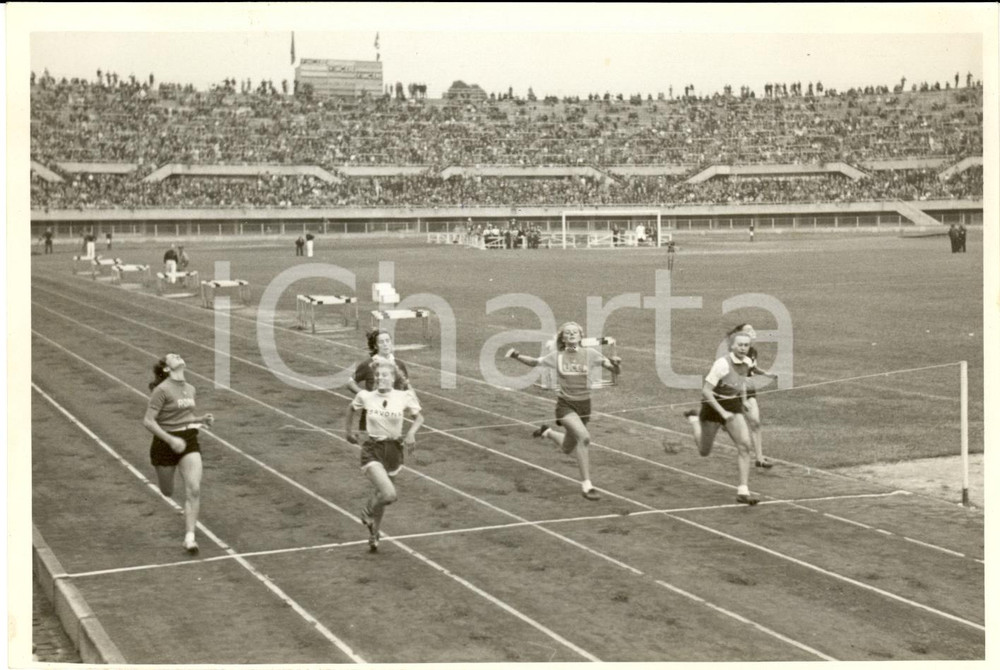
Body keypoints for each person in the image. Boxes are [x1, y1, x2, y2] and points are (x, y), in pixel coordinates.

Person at [506, 322, 622, 501]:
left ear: (581, 336)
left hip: (584, 406)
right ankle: (587, 486)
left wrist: (617, 364)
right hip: (565, 406)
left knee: (568, 447)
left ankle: (547, 432)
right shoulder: (557, 356)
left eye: (575, 332)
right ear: (563, 338)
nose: (572, 334)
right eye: (568, 333)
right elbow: (535, 362)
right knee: (584, 438)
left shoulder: (591, 354)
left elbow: (615, 370)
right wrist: (516, 355)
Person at [345, 364, 424, 552]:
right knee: (388, 494)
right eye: (377, 375)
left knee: (383, 496)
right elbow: (351, 409)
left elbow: (419, 417)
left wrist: (411, 433)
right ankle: (367, 511)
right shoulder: (366, 396)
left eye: (385, 375)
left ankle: (374, 533)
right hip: (372, 449)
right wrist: (348, 432)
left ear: (392, 378)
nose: (380, 378)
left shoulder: (402, 396)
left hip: (394, 451)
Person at [143, 353, 214, 554]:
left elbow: (185, 416)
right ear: (167, 368)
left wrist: (201, 419)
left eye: (179, 355)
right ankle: (185, 518)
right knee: (168, 491)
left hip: (188, 441)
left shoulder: (190, 388)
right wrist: (170, 439)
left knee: (194, 489)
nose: (178, 356)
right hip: (165, 443)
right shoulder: (161, 390)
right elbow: (148, 421)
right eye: (172, 356)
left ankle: (189, 537)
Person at [681, 330, 759, 505]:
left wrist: (744, 401)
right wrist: (722, 414)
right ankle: (694, 420)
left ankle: (743, 491)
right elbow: (706, 391)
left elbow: (742, 382)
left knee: (745, 445)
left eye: (746, 345)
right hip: (713, 406)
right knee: (704, 451)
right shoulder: (721, 364)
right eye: (740, 345)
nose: (743, 348)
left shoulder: (747, 362)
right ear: (732, 346)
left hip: (733, 405)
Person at [727, 323, 774, 469]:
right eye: (748, 330)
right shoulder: (738, 351)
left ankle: (759, 459)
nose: (753, 331)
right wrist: (744, 399)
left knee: (755, 422)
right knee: (733, 424)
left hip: (749, 388)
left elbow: (752, 368)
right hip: (736, 389)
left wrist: (766, 373)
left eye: (753, 329)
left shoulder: (752, 351)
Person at [347, 330, 413, 433]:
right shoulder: (368, 364)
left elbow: (406, 385)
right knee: (370, 446)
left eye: (388, 340)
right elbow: (350, 382)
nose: (386, 344)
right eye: (381, 342)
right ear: (375, 346)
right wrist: (363, 394)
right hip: (371, 416)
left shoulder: (399, 365)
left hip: (392, 416)